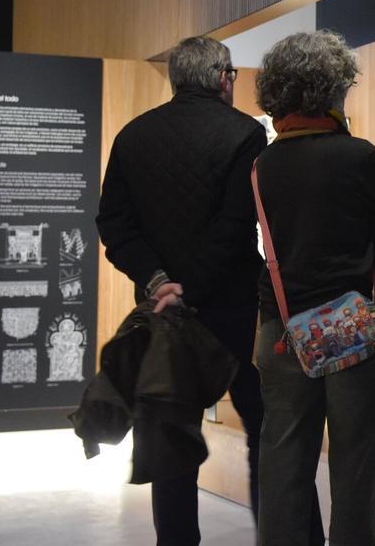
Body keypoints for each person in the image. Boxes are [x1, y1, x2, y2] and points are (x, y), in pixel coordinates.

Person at [96, 35, 266, 545]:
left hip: (163, 313)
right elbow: (235, 228)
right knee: (263, 430)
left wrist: (159, 283)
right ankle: (279, 535)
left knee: (170, 437)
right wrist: (188, 285)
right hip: (233, 312)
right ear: (222, 79)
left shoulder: (133, 136)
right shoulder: (245, 136)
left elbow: (113, 225)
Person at [252, 29, 375, 546]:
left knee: (282, 463)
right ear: (330, 90)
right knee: (355, 467)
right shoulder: (357, 156)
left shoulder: (264, 164)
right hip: (352, 328)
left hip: (280, 329)